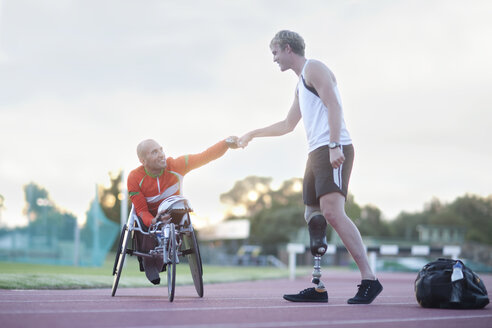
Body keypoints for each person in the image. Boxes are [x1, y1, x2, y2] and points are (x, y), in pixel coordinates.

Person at [238, 30, 383, 304]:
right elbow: (287, 125)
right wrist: (251, 134)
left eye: (275, 53)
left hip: (333, 148)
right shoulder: (299, 84)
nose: (274, 60)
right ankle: (318, 286)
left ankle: (369, 279)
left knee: (333, 213)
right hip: (315, 153)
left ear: (288, 48)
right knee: (313, 217)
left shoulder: (313, 68)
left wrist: (334, 145)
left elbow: (334, 105)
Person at [127, 137, 239, 285]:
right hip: (150, 217)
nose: (161, 154)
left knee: (181, 214)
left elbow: (205, 156)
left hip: (173, 212)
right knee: (142, 223)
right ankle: (148, 261)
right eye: (154, 152)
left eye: (161, 150)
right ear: (143, 160)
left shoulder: (176, 165)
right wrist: (155, 220)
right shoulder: (134, 177)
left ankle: (166, 251)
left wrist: (226, 143)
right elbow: (141, 211)